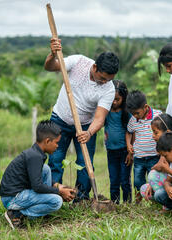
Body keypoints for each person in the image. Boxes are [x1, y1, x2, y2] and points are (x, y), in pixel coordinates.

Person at [44, 38, 119, 201]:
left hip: (86, 126)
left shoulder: (109, 88)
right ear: (94, 67)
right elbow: (50, 67)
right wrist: (52, 54)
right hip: (59, 120)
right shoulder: (78, 62)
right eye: (103, 78)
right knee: (55, 160)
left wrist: (89, 132)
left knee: (84, 163)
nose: (105, 82)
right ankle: (54, 197)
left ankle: (82, 199)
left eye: (109, 79)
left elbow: (100, 117)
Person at [0, 120, 76, 229]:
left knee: (46, 169)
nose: (57, 146)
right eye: (56, 142)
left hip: (17, 194)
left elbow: (36, 178)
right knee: (56, 201)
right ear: (48, 141)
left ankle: (39, 213)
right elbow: (37, 186)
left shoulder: (35, 153)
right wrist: (60, 192)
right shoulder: (34, 156)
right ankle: (17, 215)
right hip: (12, 198)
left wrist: (57, 186)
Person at [126, 90, 162, 203]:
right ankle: (138, 202)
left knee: (154, 180)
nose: (135, 116)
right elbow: (129, 131)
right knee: (137, 181)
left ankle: (155, 201)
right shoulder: (133, 120)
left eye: (137, 113)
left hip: (154, 157)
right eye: (132, 114)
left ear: (145, 107)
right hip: (139, 158)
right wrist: (128, 144)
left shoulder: (157, 115)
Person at [104, 80, 132, 204]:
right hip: (111, 151)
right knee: (114, 179)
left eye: (117, 99)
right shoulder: (105, 111)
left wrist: (130, 151)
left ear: (124, 98)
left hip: (124, 151)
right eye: (112, 99)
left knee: (124, 180)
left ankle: (127, 204)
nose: (114, 102)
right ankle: (114, 204)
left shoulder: (127, 113)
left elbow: (131, 132)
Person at [140, 113, 172, 201]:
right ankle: (161, 200)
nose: (153, 136)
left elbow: (160, 167)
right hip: (167, 181)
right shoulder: (163, 146)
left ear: (167, 132)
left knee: (152, 175)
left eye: (156, 132)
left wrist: (155, 168)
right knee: (144, 189)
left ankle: (168, 204)